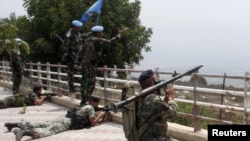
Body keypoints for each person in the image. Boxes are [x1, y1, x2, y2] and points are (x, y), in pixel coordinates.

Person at [4, 96, 108, 141]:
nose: (97, 105)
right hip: (67, 122)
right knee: (47, 131)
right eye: (97, 103)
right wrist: (101, 115)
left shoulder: (84, 105)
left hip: (63, 118)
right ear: (93, 103)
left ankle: (16, 125)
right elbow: (93, 122)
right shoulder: (90, 108)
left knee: (43, 124)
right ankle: (24, 132)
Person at [78, 25, 123, 105]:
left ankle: (83, 100)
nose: (101, 34)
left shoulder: (87, 40)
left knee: (84, 81)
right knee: (90, 83)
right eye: (101, 32)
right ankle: (86, 101)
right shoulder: (97, 40)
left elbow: (81, 51)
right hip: (91, 64)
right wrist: (118, 35)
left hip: (85, 63)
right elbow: (110, 42)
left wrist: (77, 62)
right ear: (98, 33)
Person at [136, 69, 178, 141]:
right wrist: (171, 98)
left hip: (142, 136)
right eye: (155, 80)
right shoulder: (154, 99)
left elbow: (158, 108)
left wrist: (166, 98)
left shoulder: (139, 96)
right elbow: (172, 113)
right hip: (153, 138)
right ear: (152, 82)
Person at [63, 20, 83, 94]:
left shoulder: (79, 35)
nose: (79, 29)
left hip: (78, 56)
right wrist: (67, 54)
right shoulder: (69, 34)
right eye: (78, 27)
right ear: (74, 27)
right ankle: (71, 87)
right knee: (70, 72)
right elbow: (66, 45)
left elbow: (80, 45)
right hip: (71, 55)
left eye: (79, 27)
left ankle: (81, 87)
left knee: (81, 70)